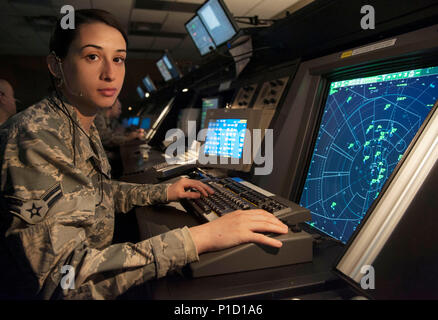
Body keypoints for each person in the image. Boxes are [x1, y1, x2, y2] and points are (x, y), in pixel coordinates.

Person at [0, 9, 288, 300]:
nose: (110, 73)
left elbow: (94, 191)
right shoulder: (35, 137)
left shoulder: (76, 123)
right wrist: (200, 238)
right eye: (92, 56)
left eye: (118, 59)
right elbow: (61, 279)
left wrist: (162, 192)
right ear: (56, 65)